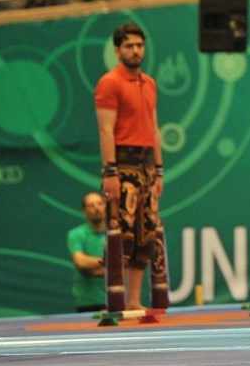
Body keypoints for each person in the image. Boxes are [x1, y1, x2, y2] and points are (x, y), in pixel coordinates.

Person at [95, 22, 165, 310]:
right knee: (122, 232)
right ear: (117, 51)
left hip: (147, 166)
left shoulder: (149, 83)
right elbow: (105, 130)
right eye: (129, 46)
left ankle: (134, 302)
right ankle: (116, 299)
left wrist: (159, 170)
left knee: (145, 235)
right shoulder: (109, 83)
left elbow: (154, 128)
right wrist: (109, 171)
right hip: (123, 164)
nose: (136, 51)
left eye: (139, 45)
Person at [67, 191, 108, 313]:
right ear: (84, 211)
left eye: (100, 204)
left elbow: (123, 267)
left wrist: (92, 267)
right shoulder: (75, 234)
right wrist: (108, 260)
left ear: (106, 207)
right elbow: (81, 263)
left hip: (115, 299)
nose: (97, 208)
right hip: (86, 302)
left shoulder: (116, 234)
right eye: (91, 205)